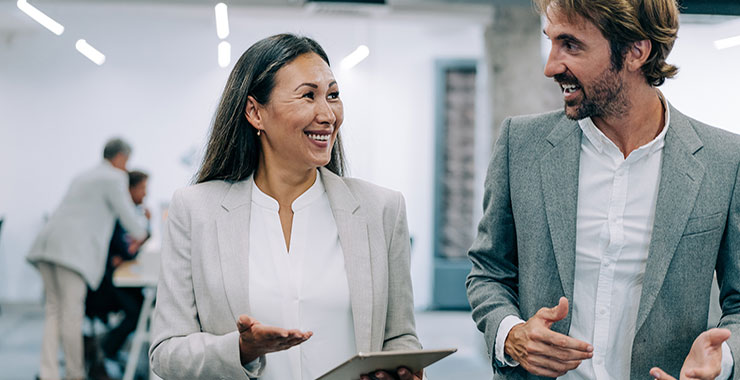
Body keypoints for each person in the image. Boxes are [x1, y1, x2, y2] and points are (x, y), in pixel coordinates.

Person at [465, 0, 740, 379]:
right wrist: (511, 334)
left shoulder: (724, 160)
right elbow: (489, 272)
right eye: (551, 42)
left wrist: (723, 360)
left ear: (635, 52)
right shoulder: (520, 144)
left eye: (571, 45)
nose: (550, 66)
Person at [149, 33, 423, 380]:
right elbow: (166, 352)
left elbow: (400, 337)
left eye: (333, 96)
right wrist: (241, 350)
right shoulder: (195, 211)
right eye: (308, 96)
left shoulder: (381, 210)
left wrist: (402, 370)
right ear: (255, 112)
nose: (328, 114)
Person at [27, 138, 148, 380]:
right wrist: (143, 231)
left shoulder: (83, 176)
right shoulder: (114, 178)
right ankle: (75, 374)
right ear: (121, 158)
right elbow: (129, 218)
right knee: (72, 313)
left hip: (47, 244)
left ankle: (48, 373)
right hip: (72, 253)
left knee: (54, 311)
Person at [85, 170, 151, 379]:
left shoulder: (130, 216)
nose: (145, 194)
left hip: (114, 278)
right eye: (142, 188)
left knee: (142, 304)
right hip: (105, 283)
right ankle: (106, 348)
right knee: (138, 309)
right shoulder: (120, 216)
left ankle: (108, 347)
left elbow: (130, 251)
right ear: (129, 190)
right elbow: (125, 249)